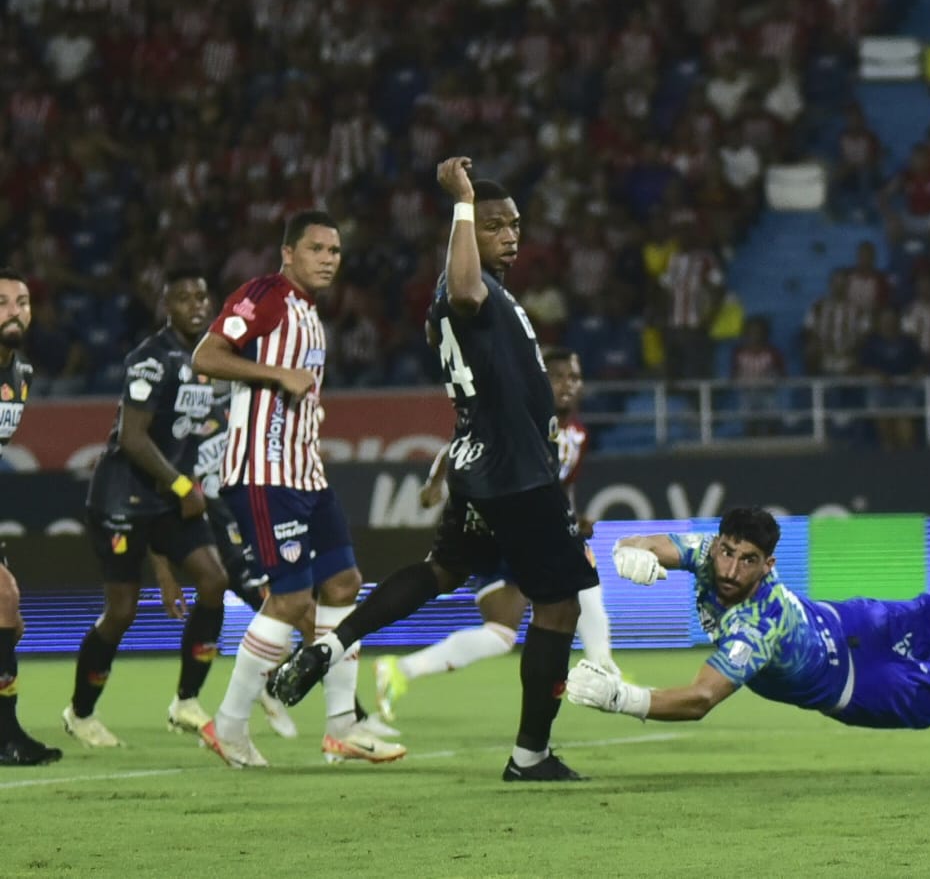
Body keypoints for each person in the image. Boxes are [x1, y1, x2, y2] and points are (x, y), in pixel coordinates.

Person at [271, 160, 602, 783]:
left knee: (440, 570)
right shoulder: (466, 292)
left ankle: (330, 644)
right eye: (494, 226)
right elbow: (466, 292)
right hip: (519, 475)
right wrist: (461, 203)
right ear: (466, 235)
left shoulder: (459, 303)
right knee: (559, 608)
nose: (510, 236)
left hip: (480, 464)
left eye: (514, 226)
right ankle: (530, 756)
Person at [566, 509, 930, 729]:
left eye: (748, 561)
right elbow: (656, 542)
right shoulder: (709, 554)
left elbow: (698, 700)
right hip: (851, 621)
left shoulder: (755, 628)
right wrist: (627, 553)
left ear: (768, 566)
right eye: (725, 553)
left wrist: (622, 699)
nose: (731, 568)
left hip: (858, 685)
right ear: (715, 545)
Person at [190, 210, 406, 767]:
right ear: (288, 253)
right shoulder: (264, 294)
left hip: (305, 472)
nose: (329, 259)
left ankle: (341, 727)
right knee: (289, 599)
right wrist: (277, 376)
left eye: (335, 251)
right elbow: (207, 356)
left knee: (343, 584)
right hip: (263, 473)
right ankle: (230, 726)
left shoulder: (311, 314)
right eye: (317, 249)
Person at [373, 346, 615, 723]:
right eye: (558, 376)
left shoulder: (577, 433)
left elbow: (557, 486)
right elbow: (462, 443)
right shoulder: (525, 415)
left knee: (504, 630)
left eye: (575, 377)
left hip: (534, 529)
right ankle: (604, 668)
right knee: (570, 580)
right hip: (501, 533)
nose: (568, 385)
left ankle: (401, 671)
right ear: (541, 379)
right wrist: (435, 483)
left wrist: (574, 515)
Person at [65, 270, 236, 748]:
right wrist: (183, 484)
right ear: (167, 307)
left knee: (213, 580)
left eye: (201, 296)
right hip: (121, 498)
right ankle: (80, 713)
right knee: (121, 611)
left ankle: (186, 701)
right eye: (182, 298)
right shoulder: (150, 360)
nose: (195, 305)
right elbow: (132, 438)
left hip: (166, 499)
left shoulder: (209, 359)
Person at [0, 270, 62, 766]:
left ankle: (6, 733)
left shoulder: (20, 374)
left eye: (22, 301)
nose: (14, 310)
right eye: (1, 302)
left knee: (10, 620)